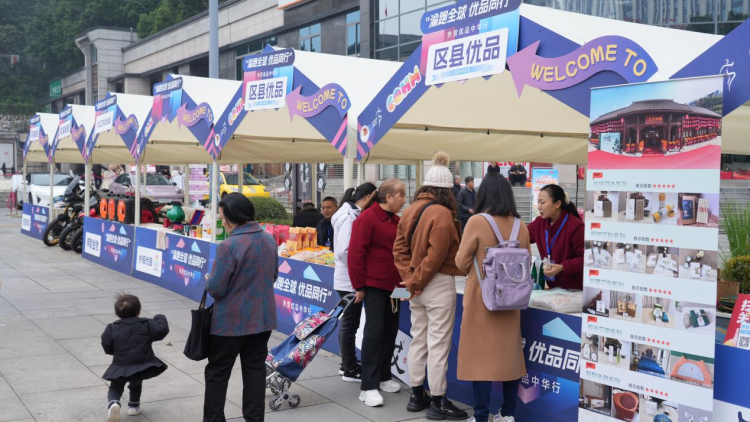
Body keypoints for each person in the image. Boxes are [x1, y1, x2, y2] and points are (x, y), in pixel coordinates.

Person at [393, 151, 467, 420]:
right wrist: (417, 281)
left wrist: (410, 280)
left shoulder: (410, 210)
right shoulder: (443, 214)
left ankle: (416, 394)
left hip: (415, 285)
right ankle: (438, 401)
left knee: (418, 339)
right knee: (438, 344)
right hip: (436, 284)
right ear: (447, 189)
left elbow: (399, 250)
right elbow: (436, 258)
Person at [455, 174, 528, 422]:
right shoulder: (520, 225)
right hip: (512, 300)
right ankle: (507, 414)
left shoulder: (477, 221)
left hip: (481, 299)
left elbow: (461, 262)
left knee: (480, 358)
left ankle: (480, 416)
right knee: (510, 357)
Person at [203, 193, 277, 422]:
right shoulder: (269, 240)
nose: (222, 222)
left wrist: (209, 279)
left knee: (218, 372)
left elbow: (216, 288)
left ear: (231, 218)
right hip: (262, 320)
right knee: (255, 371)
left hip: (230, 322)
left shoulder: (228, 246)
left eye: (222, 218)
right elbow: (272, 276)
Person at [347, 179, 406, 407]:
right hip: (374, 285)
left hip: (396, 285)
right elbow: (356, 254)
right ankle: (368, 386)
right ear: (388, 197)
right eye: (401, 195)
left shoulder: (396, 220)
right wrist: (359, 286)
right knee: (374, 332)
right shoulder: (367, 218)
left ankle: (383, 376)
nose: (403, 200)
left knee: (391, 330)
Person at [331, 182, 377, 382]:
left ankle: (347, 363)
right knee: (350, 324)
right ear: (367, 197)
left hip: (347, 278)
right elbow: (345, 251)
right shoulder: (349, 216)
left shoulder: (347, 212)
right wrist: (358, 275)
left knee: (349, 323)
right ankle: (348, 367)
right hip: (349, 279)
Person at [101, 294, 169, 422]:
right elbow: (160, 332)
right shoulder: (146, 324)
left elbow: (107, 345)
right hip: (141, 364)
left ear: (117, 313)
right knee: (136, 382)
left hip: (121, 364)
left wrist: (115, 352)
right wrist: (160, 317)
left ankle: (114, 403)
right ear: (139, 310)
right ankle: (133, 406)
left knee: (115, 386)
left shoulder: (112, 328)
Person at [527, 184, 585, 290]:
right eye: (538, 202)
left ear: (557, 204)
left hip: (575, 290)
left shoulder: (576, 226)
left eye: (542, 202)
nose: (539, 207)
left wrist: (562, 267)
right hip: (553, 289)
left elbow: (585, 259)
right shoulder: (539, 223)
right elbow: (523, 236)